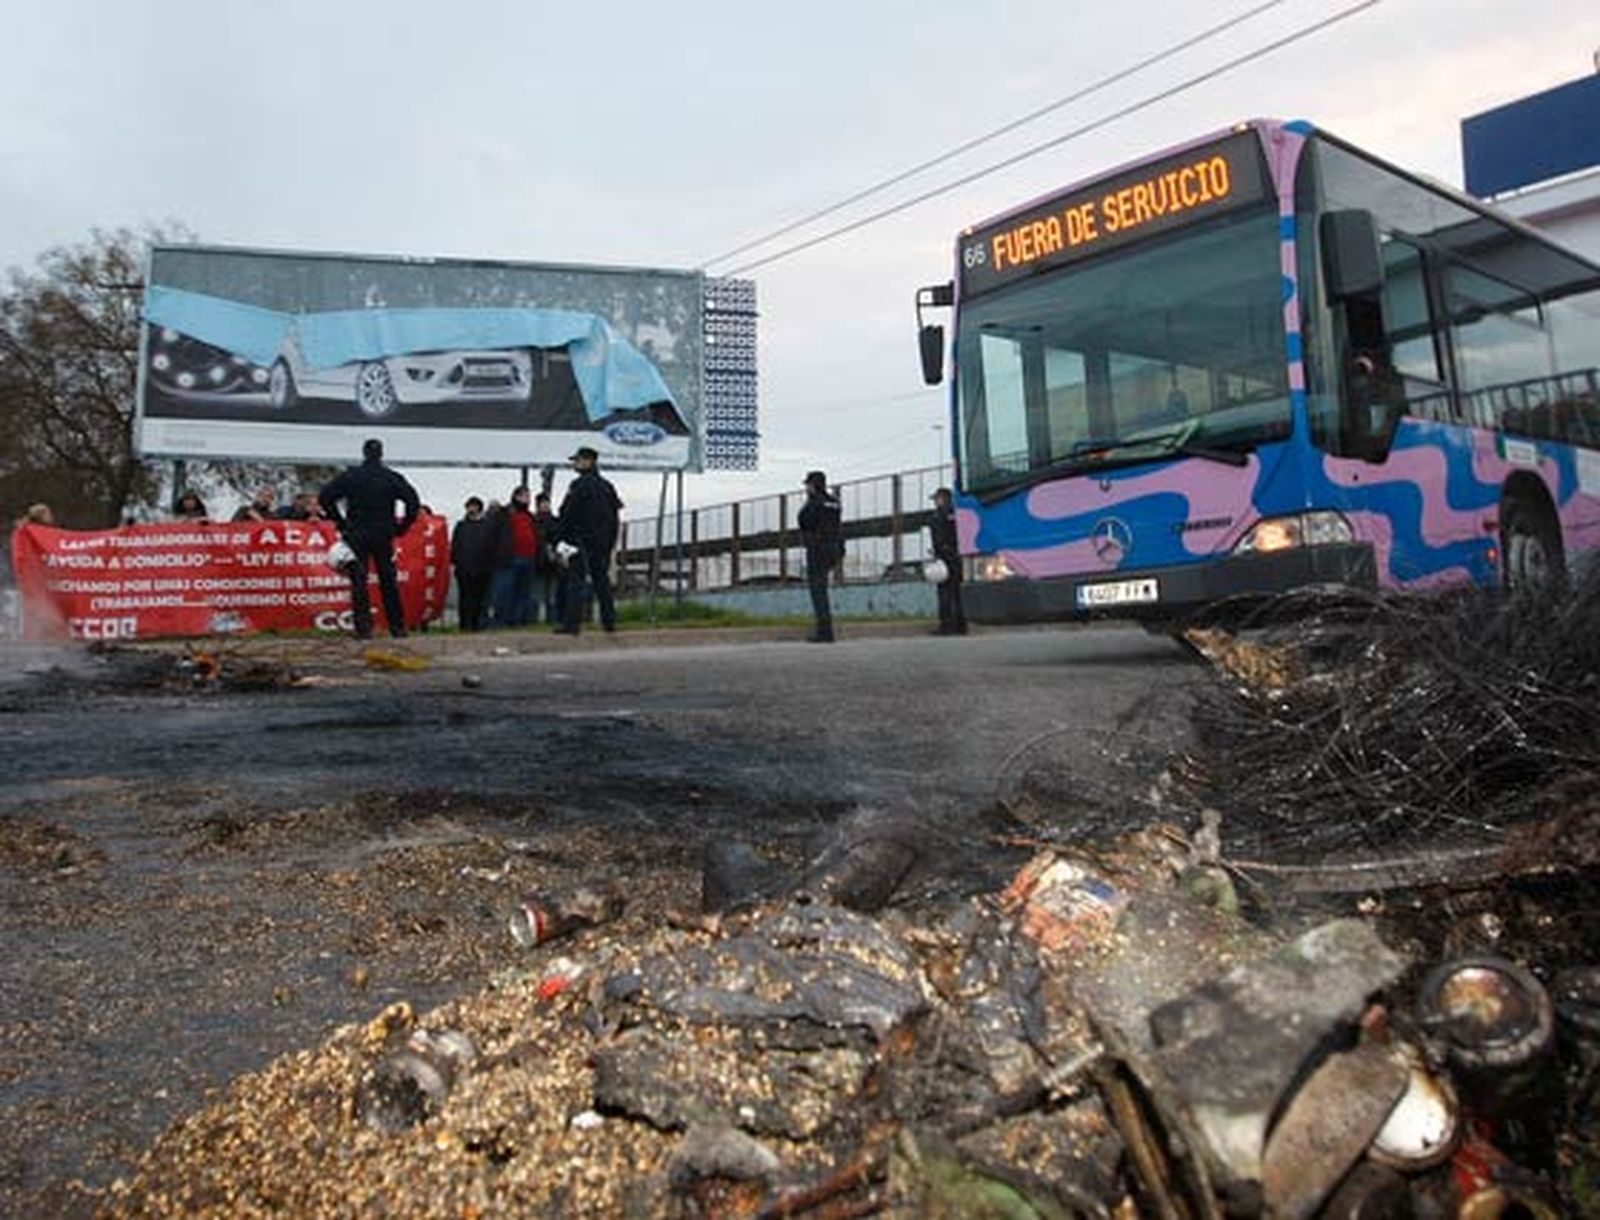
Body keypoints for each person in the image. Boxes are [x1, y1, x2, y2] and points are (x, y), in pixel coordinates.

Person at [318, 438, 420, 640]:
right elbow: (413, 502)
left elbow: (325, 497)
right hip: (383, 534)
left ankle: (363, 629)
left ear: (363, 453)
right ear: (381, 454)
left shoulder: (351, 476)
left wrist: (339, 521)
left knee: (359, 581)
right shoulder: (391, 477)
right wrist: (402, 527)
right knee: (388, 581)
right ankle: (397, 627)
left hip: (357, 534)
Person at [556, 446, 623, 635]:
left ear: (588, 461)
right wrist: (610, 544)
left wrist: (562, 538)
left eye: (577, 460)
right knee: (602, 583)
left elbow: (567, 513)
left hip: (580, 541)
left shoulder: (578, 485)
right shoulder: (607, 486)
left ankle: (572, 625)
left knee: (575, 583)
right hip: (601, 544)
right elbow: (614, 518)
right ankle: (609, 623)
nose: (575, 464)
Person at [797, 470, 843, 643]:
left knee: (818, 592)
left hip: (817, 550)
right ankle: (826, 630)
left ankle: (825, 632)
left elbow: (803, 521)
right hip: (833, 550)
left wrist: (809, 500)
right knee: (822, 589)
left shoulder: (814, 503)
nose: (806, 488)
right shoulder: (834, 502)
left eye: (808, 484)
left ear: (813, 485)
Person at [490, 485, 540, 627]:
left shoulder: (530, 516)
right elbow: (494, 535)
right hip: (510, 558)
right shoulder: (504, 513)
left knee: (524, 593)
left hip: (529, 558)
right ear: (516, 496)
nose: (527, 499)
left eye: (528, 496)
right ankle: (501, 621)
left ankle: (517, 621)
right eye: (524, 496)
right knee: (504, 592)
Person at [451, 496, 496, 632]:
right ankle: (464, 625)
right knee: (464, 598)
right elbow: (455, 545)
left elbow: (491, 547)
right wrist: (456, 562)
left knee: (479, 599)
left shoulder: (487, 525)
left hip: (482, 569)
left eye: (474, 506)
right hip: (463, 568)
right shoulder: (461, 526)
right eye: (469, 506)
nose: (471, 509)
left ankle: (477, 625)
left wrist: (488, 564)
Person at [928, 487, 967, 636]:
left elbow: (938, 538)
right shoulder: (958, 513)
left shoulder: (938, 515)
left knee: (944, 592)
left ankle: (946, 626)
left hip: (945, 558)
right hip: (958, 556)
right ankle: (960, 625)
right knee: (957, 592)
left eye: (937, 499)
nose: (935, 502)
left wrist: (940, 550)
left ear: (943, 498)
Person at [533, 491, 560, 625]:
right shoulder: (534, 521)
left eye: (546, 503)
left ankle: (552, 618)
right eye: (542, 503)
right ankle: (538, 619)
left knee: (552, 593)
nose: (545, 506)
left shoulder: (554, 521)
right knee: (538, 594)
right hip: (538, 561)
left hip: (552, 562)